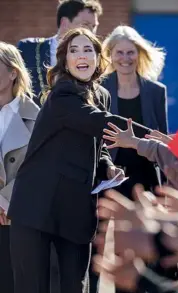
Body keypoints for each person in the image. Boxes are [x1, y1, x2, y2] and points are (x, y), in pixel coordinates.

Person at [8, 28, 152, 293]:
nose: (81, 55)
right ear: (65, 60)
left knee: (77, 286)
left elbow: (98, 141)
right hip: (36, 207)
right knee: (32, 287)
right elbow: (98, 121)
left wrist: (107, 167)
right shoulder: (61, 95)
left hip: (75, 208)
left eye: (88, 49)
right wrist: (157, 139)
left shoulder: (102, 95)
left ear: (98, 57)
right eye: (73, 50)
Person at [101, 25, 168, 198]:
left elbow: (162, 138)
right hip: (110, 175)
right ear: (110, 55)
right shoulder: (99, 89)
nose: (125, 58)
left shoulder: (156, 91)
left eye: (130, 52)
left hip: (146, 175)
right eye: (119, 52)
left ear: (139, 54)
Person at [0, 41, 39, 293]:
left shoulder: (36, 114)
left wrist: (4, 202)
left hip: (16, 217)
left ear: (13, 72)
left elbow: (37, 168)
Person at [17, 0, 103, 104]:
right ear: (65, 23)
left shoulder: (95, 57)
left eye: (94, 26)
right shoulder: (28, 48)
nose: (91, 32)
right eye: (85, 25)